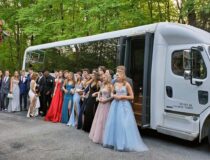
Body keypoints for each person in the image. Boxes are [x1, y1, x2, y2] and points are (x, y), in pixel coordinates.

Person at [103, 66, 148, 152]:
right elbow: (112, 93)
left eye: (119, 74)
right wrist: (113, 95)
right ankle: (113, 142)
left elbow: (132, 96)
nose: (117, 75)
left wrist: (122, 96)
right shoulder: (115, 83)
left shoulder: (126, 84)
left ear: (122, 74)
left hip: (124, 105)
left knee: (123, 124)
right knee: (114, 123)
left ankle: (123, 143)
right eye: (117, 74)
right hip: (115, 105)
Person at [89, 73, 113, 144]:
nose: (103, 78)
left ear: (108, 78)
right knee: (99, 119)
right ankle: (98, 135)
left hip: (106, 104)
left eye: (105, 77)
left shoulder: (110, 86)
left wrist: (106, 100)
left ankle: (104, 137)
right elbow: (99, 92)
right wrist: (98, 97)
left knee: (104, 119)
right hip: (100, 104)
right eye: (103, 77)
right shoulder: (103, 85)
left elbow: (112, 96)